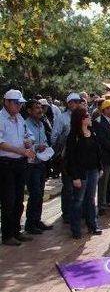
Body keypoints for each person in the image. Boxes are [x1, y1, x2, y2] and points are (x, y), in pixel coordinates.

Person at [0, 90, 36, 246]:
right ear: (6, 102)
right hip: (6, 163)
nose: (19, 106)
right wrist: (21, 150)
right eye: (16, 103)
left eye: (20, 103)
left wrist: (28, 141)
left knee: (20, 199)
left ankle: (16, 230)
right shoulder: (1, 119)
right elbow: (1, 143)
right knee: (9, 200)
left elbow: (28, 135)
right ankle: (7, 235)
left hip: (20, 163)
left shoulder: (20, 118)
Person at [64, 108, 102, 238]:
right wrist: (75, 177)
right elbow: (70, 158)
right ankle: (76, 229)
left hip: (93, 171)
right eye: (87, 116)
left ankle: (93, 224)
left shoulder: (92, 132)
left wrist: (99, 168)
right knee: (78, 200)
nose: (90, 118)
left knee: (91, 198)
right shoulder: (73, 136)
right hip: (81, 173)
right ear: (81, 119)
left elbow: (97, 152)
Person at [52, 92, 84, 224]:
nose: (77, 104)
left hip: (81, 158)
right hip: (67, 157)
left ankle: (77, 211)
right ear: (69, 103)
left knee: (79, 186)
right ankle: (66, 213)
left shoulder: (83, 117)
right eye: (74, 102)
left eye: (78, 102)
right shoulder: (62, 118)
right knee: (68, 187)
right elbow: (54, 137)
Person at [24, 100, 54, 235]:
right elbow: (24, 143)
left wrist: (45, 146)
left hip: (41, 163)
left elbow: (45, 141)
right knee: (34, 193)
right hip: (31, 164)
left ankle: (37, 220)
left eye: (41, 107)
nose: (40, 110)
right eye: (36, 108)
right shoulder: (25, 124)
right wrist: (37, 147)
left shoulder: (41, 124)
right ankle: (30, 224)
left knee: (40, 193)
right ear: (29, 111)